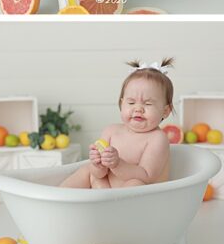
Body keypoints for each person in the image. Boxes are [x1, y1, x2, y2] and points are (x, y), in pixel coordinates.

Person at [59, 59, 174, 188]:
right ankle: (59, 197)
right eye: (131, 103)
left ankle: (110, 206)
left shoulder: (157, 139)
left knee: (135, 183)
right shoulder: (111, 132)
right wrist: (97, 164)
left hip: (139, 199)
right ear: (121, 103)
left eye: (147, 104)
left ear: (165, 111)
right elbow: (100, 174)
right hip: (106, 193)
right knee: (88, 171)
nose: (138, 109)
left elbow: (147, 175)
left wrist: (117, 164)